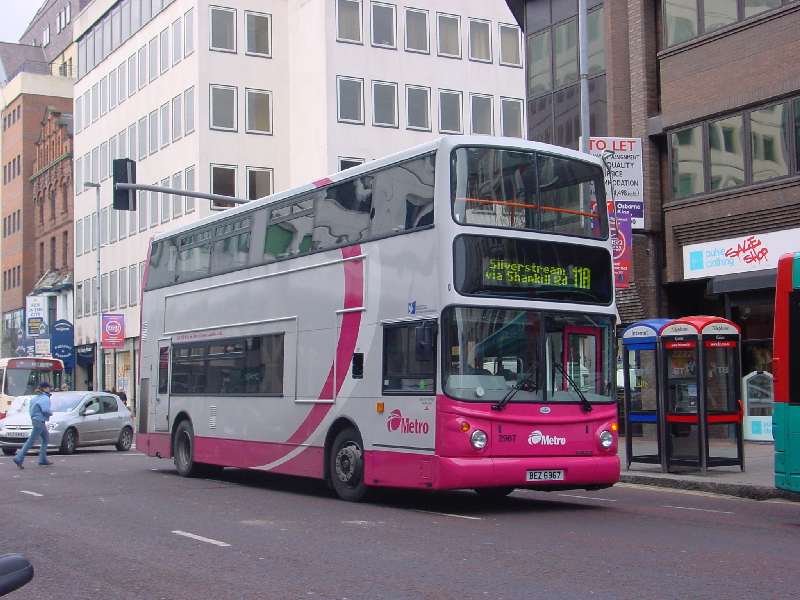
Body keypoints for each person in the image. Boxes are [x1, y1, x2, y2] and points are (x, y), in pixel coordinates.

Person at [13, 382, 54, 469]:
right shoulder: (45, 398)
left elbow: (31, 410)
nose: (50, 389)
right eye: (49, 387)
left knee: (46, 438)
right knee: (31, 441)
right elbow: (46, 410)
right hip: (40, 421)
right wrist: (51, 413)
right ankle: (19, 457)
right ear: (45, 388)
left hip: (36, 420)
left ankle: (43, 459)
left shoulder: (34, 398)